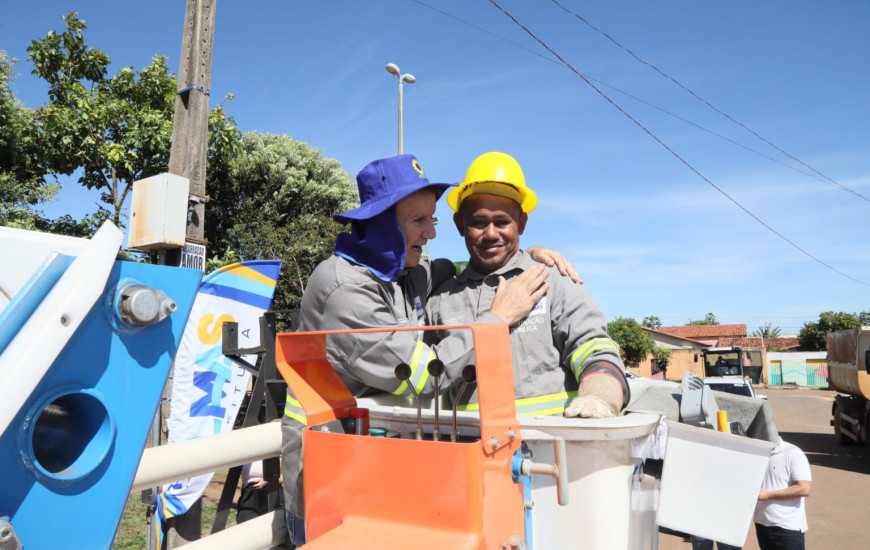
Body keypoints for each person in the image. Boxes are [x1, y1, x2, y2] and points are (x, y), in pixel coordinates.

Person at [280, 153, 578, 547]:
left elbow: (466, 266)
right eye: (419, 221)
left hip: (374, 475)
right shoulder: (344, 290)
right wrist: (495, 321)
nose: (431, 234)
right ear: (381, 225)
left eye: (432, 220)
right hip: (328, 483)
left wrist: (525, 255)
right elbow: (422, 376)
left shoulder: (402, 270)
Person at [426, 151, 629, 418]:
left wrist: (600, 395)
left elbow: (593, 347)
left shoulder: (552, 279)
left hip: (554, 446)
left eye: (502, 222)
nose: (490, 234)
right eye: (478, 222)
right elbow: (426, 377)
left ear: (521, 223)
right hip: (470, 447)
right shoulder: (442, 297)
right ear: (459, 224)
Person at [753, 439, 812, 550]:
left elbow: (804, 488)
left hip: (787, 529)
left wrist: (769, 495)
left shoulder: (793, 453)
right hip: (762, 524)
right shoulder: (758, 452)